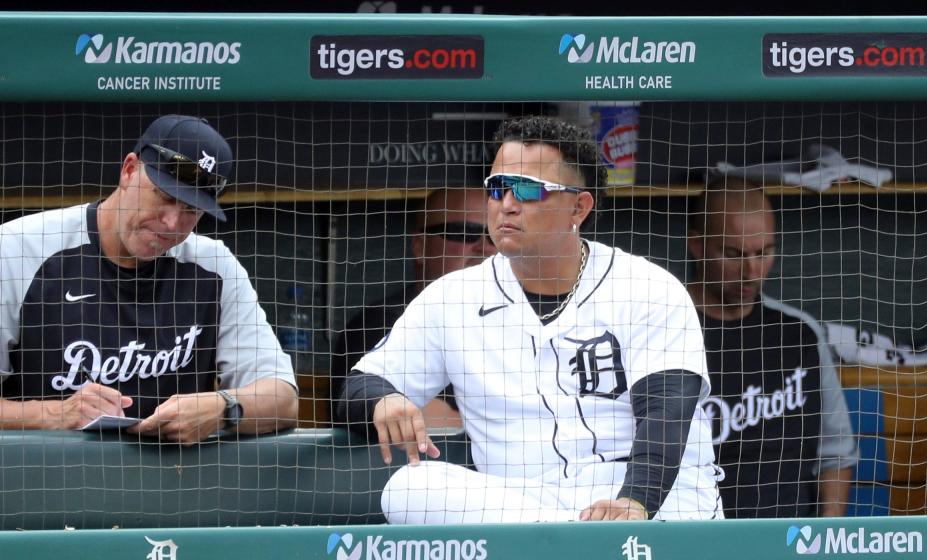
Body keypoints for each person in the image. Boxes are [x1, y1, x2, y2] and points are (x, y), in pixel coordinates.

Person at [340, 115, 723, 524]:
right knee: (409, 489)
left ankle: (573, 544)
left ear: (579, 206)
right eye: (497, 188)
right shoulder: (452, 298)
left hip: (649, 508)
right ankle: (570, 543)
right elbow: (358, 386)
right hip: (529, 513)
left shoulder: (647, 286)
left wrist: (634, 502)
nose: (507, 203)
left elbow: (667, 411)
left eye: (527, 189)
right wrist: (385, 399)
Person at [0, 114, 299, 444]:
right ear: (129, 170)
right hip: (43, 483)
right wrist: (54, 414)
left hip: (172, 484)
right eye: (165, 196)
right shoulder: (18, 248)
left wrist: (223, 407)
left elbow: (284, 399)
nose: (172, 222)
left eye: (191, 210)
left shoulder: (214, 265)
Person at [686, 177, 858, 518]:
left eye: (764, 253)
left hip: (792, 540)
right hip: (695, 537)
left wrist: (827, 539)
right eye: (734, 255)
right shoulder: (663, 331)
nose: (751, 272)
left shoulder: (800, 333)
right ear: (698, 246)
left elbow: (836, 453)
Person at [330, 187, 496, 427]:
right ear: (420, 246)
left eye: (493, 234)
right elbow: (432, 423)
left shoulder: (518, 316)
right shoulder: (380, 321)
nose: (485, 246)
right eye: (465, 232)